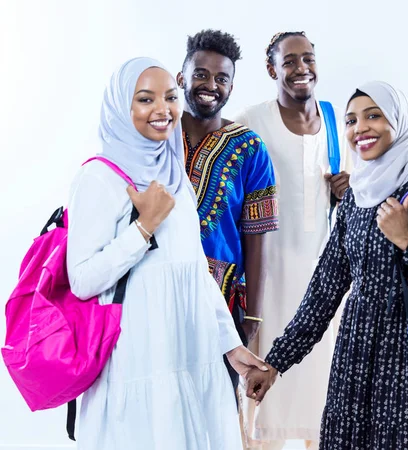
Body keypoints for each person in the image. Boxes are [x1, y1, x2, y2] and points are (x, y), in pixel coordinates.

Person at [246, 81, 408, 449]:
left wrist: (406, 240)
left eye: (373, 116)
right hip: (354, 361)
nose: (360, 128)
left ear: (398, 121)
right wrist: (275, 363)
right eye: (350, 120)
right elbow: (324, 293)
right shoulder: (357, 199)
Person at [67, 57, 267, 450]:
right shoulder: (99, 178)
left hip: (190, 350)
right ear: (122, 108)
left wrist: (230, 343)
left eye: (170, 98)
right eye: (145, 99)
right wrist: (144, 228)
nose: (163, 110)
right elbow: (82, 280)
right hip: (138, 357)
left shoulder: (175, 176)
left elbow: (193, 270)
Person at [233, 31, 352, 450]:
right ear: (272, 70)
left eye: (309, 58)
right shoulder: (252, 120)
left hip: (322, 289)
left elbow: (359, 197)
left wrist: (343, 193)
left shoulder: (338, 123)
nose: (302, 68)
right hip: (268, 283)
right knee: (263, 408)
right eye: (289, 61)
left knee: (322, 404)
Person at [177, 30, 279, 394]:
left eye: (222, 78)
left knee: (213, 405)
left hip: (222, 303)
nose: (210, 85)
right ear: (181, 78)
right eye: (201, 74)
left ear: (232, 88)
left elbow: (257, 238)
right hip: (155, 292)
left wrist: (252, 315)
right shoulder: (158, 136)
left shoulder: (250, 148)